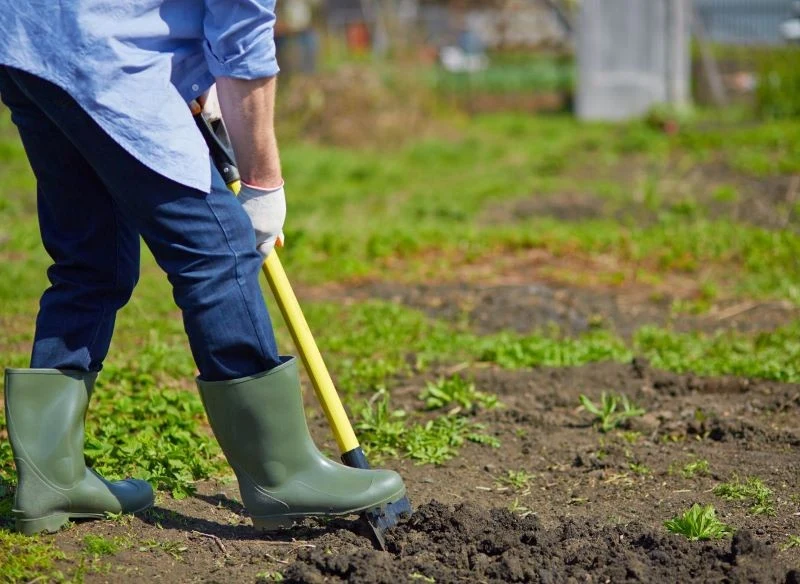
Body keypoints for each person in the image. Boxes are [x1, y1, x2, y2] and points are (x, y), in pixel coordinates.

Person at [0, 0, 405, 535]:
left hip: (26, 42)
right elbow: (242, 33)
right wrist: (263, 181)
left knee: (89, 263)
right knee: (219, 251)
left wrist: (191, 73)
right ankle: (280, 474)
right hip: (102, 54)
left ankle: (51, 480)